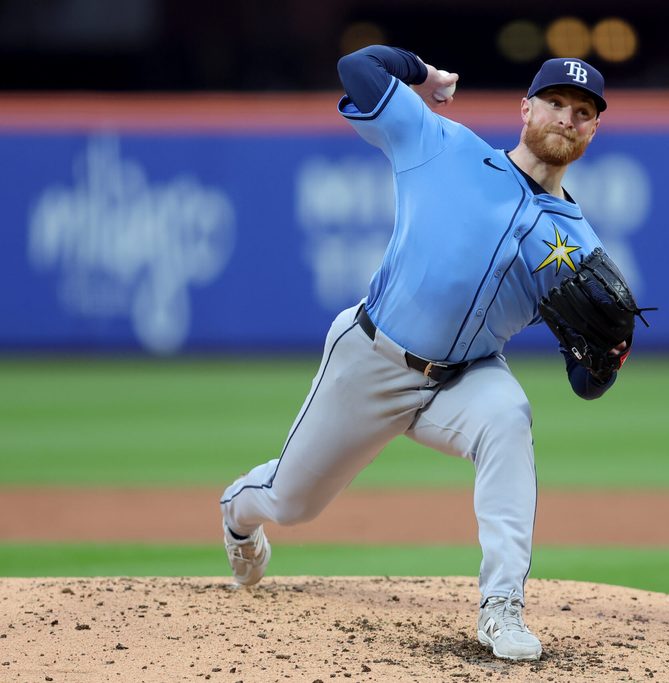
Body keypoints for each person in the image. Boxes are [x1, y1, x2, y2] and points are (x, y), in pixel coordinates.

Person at [220, 45, 635, 662]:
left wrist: (603, 361)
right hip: (371, 358)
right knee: (292, 502)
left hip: (465, 379)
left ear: (594, 129)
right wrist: (424, 75)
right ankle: (237, 514)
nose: (566, 118)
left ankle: (502, 607)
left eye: (583, 111)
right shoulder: (443, 146)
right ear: (525, 109)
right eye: (554, 103)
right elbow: (357, 69)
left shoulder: (578, 244)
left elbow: (586, 378)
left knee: (508, 419)